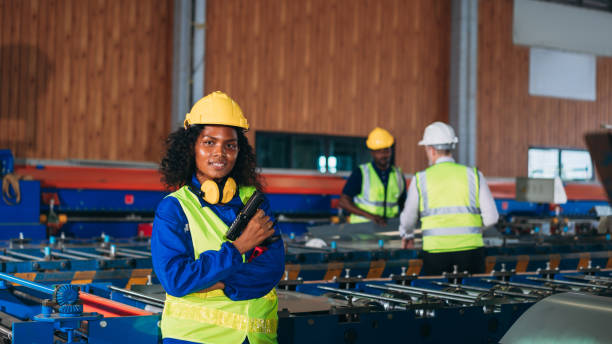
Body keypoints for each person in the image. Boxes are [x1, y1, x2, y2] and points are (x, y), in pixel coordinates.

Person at [152, 91, 284, 344]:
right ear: (191, 147)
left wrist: (218, 284)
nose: (220, 153)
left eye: (230, 145)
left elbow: (271, 269)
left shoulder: (254, 201)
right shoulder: (174, 209)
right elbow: (176, 280)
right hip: (193, 338)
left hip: (256, 339)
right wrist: (238, 249)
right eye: (209, 142)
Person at [399, 121, 499, 275]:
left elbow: (408, 218)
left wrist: (408, 235)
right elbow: (492, 218)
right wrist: (473, 230)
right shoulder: (474, 175)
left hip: (435, 252)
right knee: (473, 297)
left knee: (437, 297)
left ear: (431, 150)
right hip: (471, 251)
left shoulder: (421, 179)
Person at [339, 127, 406, 225]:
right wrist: (371, 216)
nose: (384, 155)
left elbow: (404, 205)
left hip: (389, 228)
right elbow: (343, 202)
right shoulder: (361, 173)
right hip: (362, 229)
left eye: (386, 150)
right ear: (372, 152)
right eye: (379, 151)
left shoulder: (398, 175)